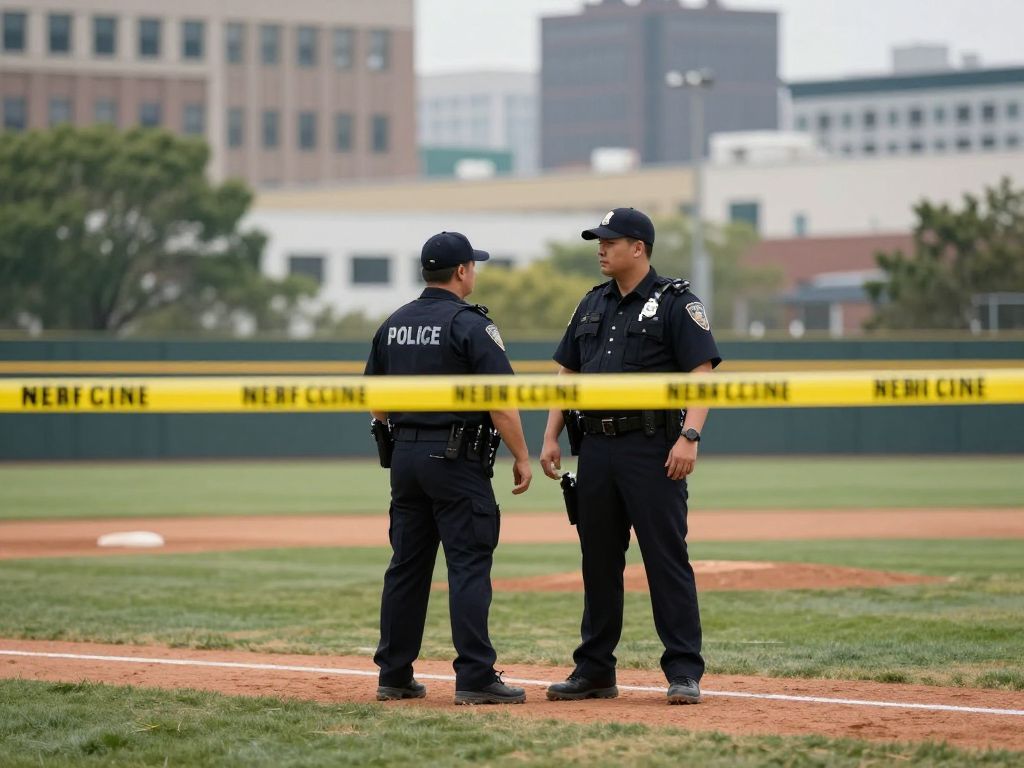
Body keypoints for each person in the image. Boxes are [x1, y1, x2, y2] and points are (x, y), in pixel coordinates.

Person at [538, 207, 721, 705]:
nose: (600, 248)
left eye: (609, 241)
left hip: (651, 449)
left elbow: (701, 374)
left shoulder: (675, 303)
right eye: (599, 241)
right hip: (595, 447)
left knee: (665, 559)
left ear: (637, 248)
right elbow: (568, 375)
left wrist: (690, 436)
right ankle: (595, 670)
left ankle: (684, 671)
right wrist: (552, 434)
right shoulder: (590, 303)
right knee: (597, 562)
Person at [365, 230, 533, 706]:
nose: (474, 272)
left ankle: (394, 674)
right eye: (472, 266)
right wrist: (520, 455)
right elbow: (501, 404)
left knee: (407, 568)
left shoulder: (393, 323)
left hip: (406, 459)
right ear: (461, 272)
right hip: (457, 461)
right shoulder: (470, 325)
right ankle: (476, 678)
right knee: (468, 566)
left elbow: (375, 404)